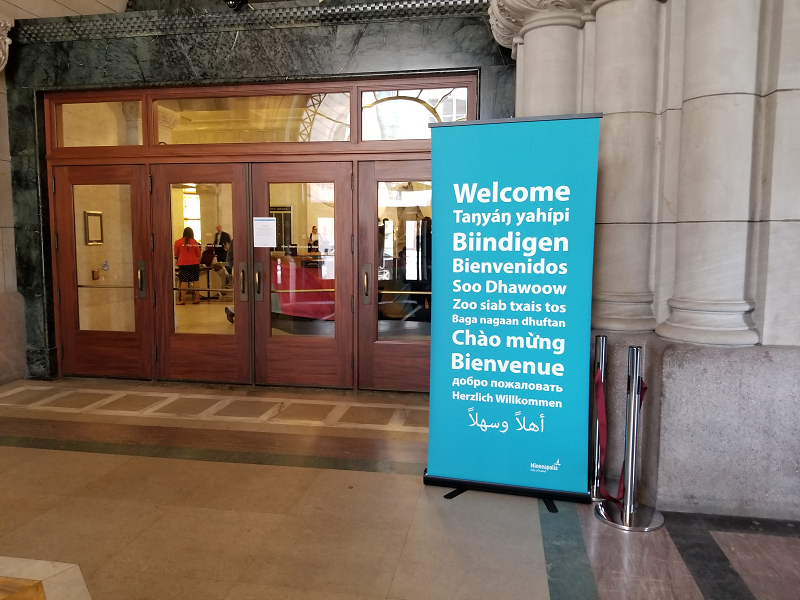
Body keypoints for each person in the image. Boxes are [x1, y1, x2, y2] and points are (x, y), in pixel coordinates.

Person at [174, 226, 202, 305]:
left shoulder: (177, 242)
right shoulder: (194, 242)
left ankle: (183, 300)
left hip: (183, 263)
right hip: (194, 263)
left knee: (184, 281)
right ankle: (197, 299)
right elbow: (198, 254)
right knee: (195, 280)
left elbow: (176, 254)